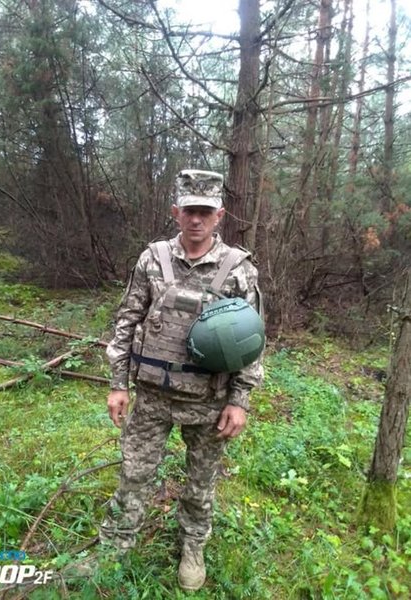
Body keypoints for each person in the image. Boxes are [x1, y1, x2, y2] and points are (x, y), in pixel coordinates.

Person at [100, 169, 263, 591]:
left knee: (200, 483)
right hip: (152, 396)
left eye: (205, 212)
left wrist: (239, 400)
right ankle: (115, 546)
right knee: (134, 473)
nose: (196, 219)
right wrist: (119, 384)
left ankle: (193, 546)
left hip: (208, 402)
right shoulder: (152, 259)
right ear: (176, 212)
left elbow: (251, 341)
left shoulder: (238, 269)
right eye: (189, 210)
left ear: (219, 215)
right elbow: (127, 320)